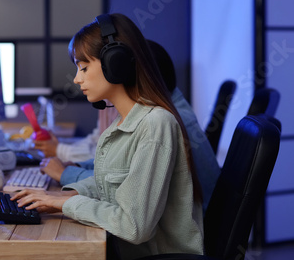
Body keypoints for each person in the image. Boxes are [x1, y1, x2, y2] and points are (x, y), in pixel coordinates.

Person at [14, 13, 209, 260]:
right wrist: (61, 198)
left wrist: (68, 204)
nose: (77, 78)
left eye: (83, 67)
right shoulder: (124, 122)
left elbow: (134, 226)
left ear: (115, 62)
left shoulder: (156, 125)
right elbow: (113, 185)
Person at [40, 40, 220, 213]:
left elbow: (125, 189)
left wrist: (66, 177)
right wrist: (79, 166)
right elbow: (119, 170)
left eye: (85, 68)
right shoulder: (164, 112)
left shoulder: (164, 122)